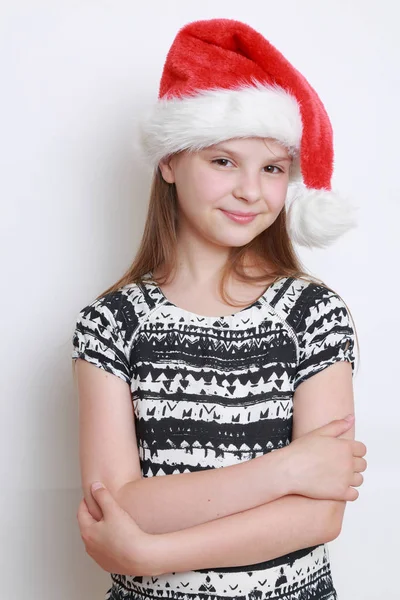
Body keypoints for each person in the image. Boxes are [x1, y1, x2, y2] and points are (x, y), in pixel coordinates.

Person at [72, 17, 367, 600]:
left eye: (273, 169)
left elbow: (318, 518)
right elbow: (121, 505)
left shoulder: (312, 314)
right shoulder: (110, 324)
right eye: (223, 161)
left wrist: (153, 553)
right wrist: (285, 470)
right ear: (169, 162)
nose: (250, 192)